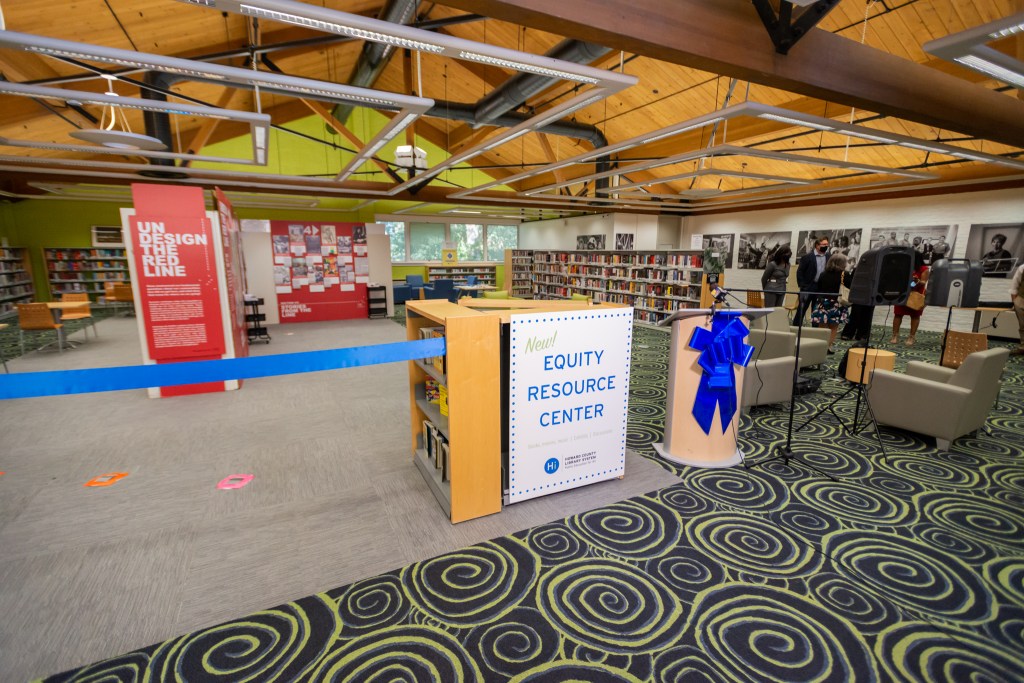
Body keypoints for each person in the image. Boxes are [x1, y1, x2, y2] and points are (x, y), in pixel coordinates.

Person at [810, 253, 850, 354]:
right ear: (842, 263)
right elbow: (850, 287)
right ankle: (828, 346)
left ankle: (819, 345)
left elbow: (819, 288)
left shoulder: (823, 274)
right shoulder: (844, 274)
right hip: (836, 303)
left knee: (821, 326)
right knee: (833, 327)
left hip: (823, 302)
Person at [891, 251, 929, 346]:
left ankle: (911, 337)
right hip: (903, 293)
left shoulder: (924, 269)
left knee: (915, 315)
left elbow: (924, 282)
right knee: (898, 314)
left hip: (916, 294)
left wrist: (917, 281)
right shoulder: (905, 266)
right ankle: (895, 335)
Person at [794, 236, 830, 327]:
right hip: (808, 287)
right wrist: (802, 286)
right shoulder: (807, 257)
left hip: (821, 288)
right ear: (817, 245)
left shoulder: (829, 256)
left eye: (827, 244)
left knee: (817, 311)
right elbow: (800, 272)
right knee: (801, 310)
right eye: (824, 244)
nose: (826, 246)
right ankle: (795, 328)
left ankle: (814, 331)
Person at [1011, 262, 1024, 356]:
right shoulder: (1022, 267)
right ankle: (1023, 347)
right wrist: (1015, 302)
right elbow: (1015, 285)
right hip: (1021, 300)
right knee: (1022, 326)